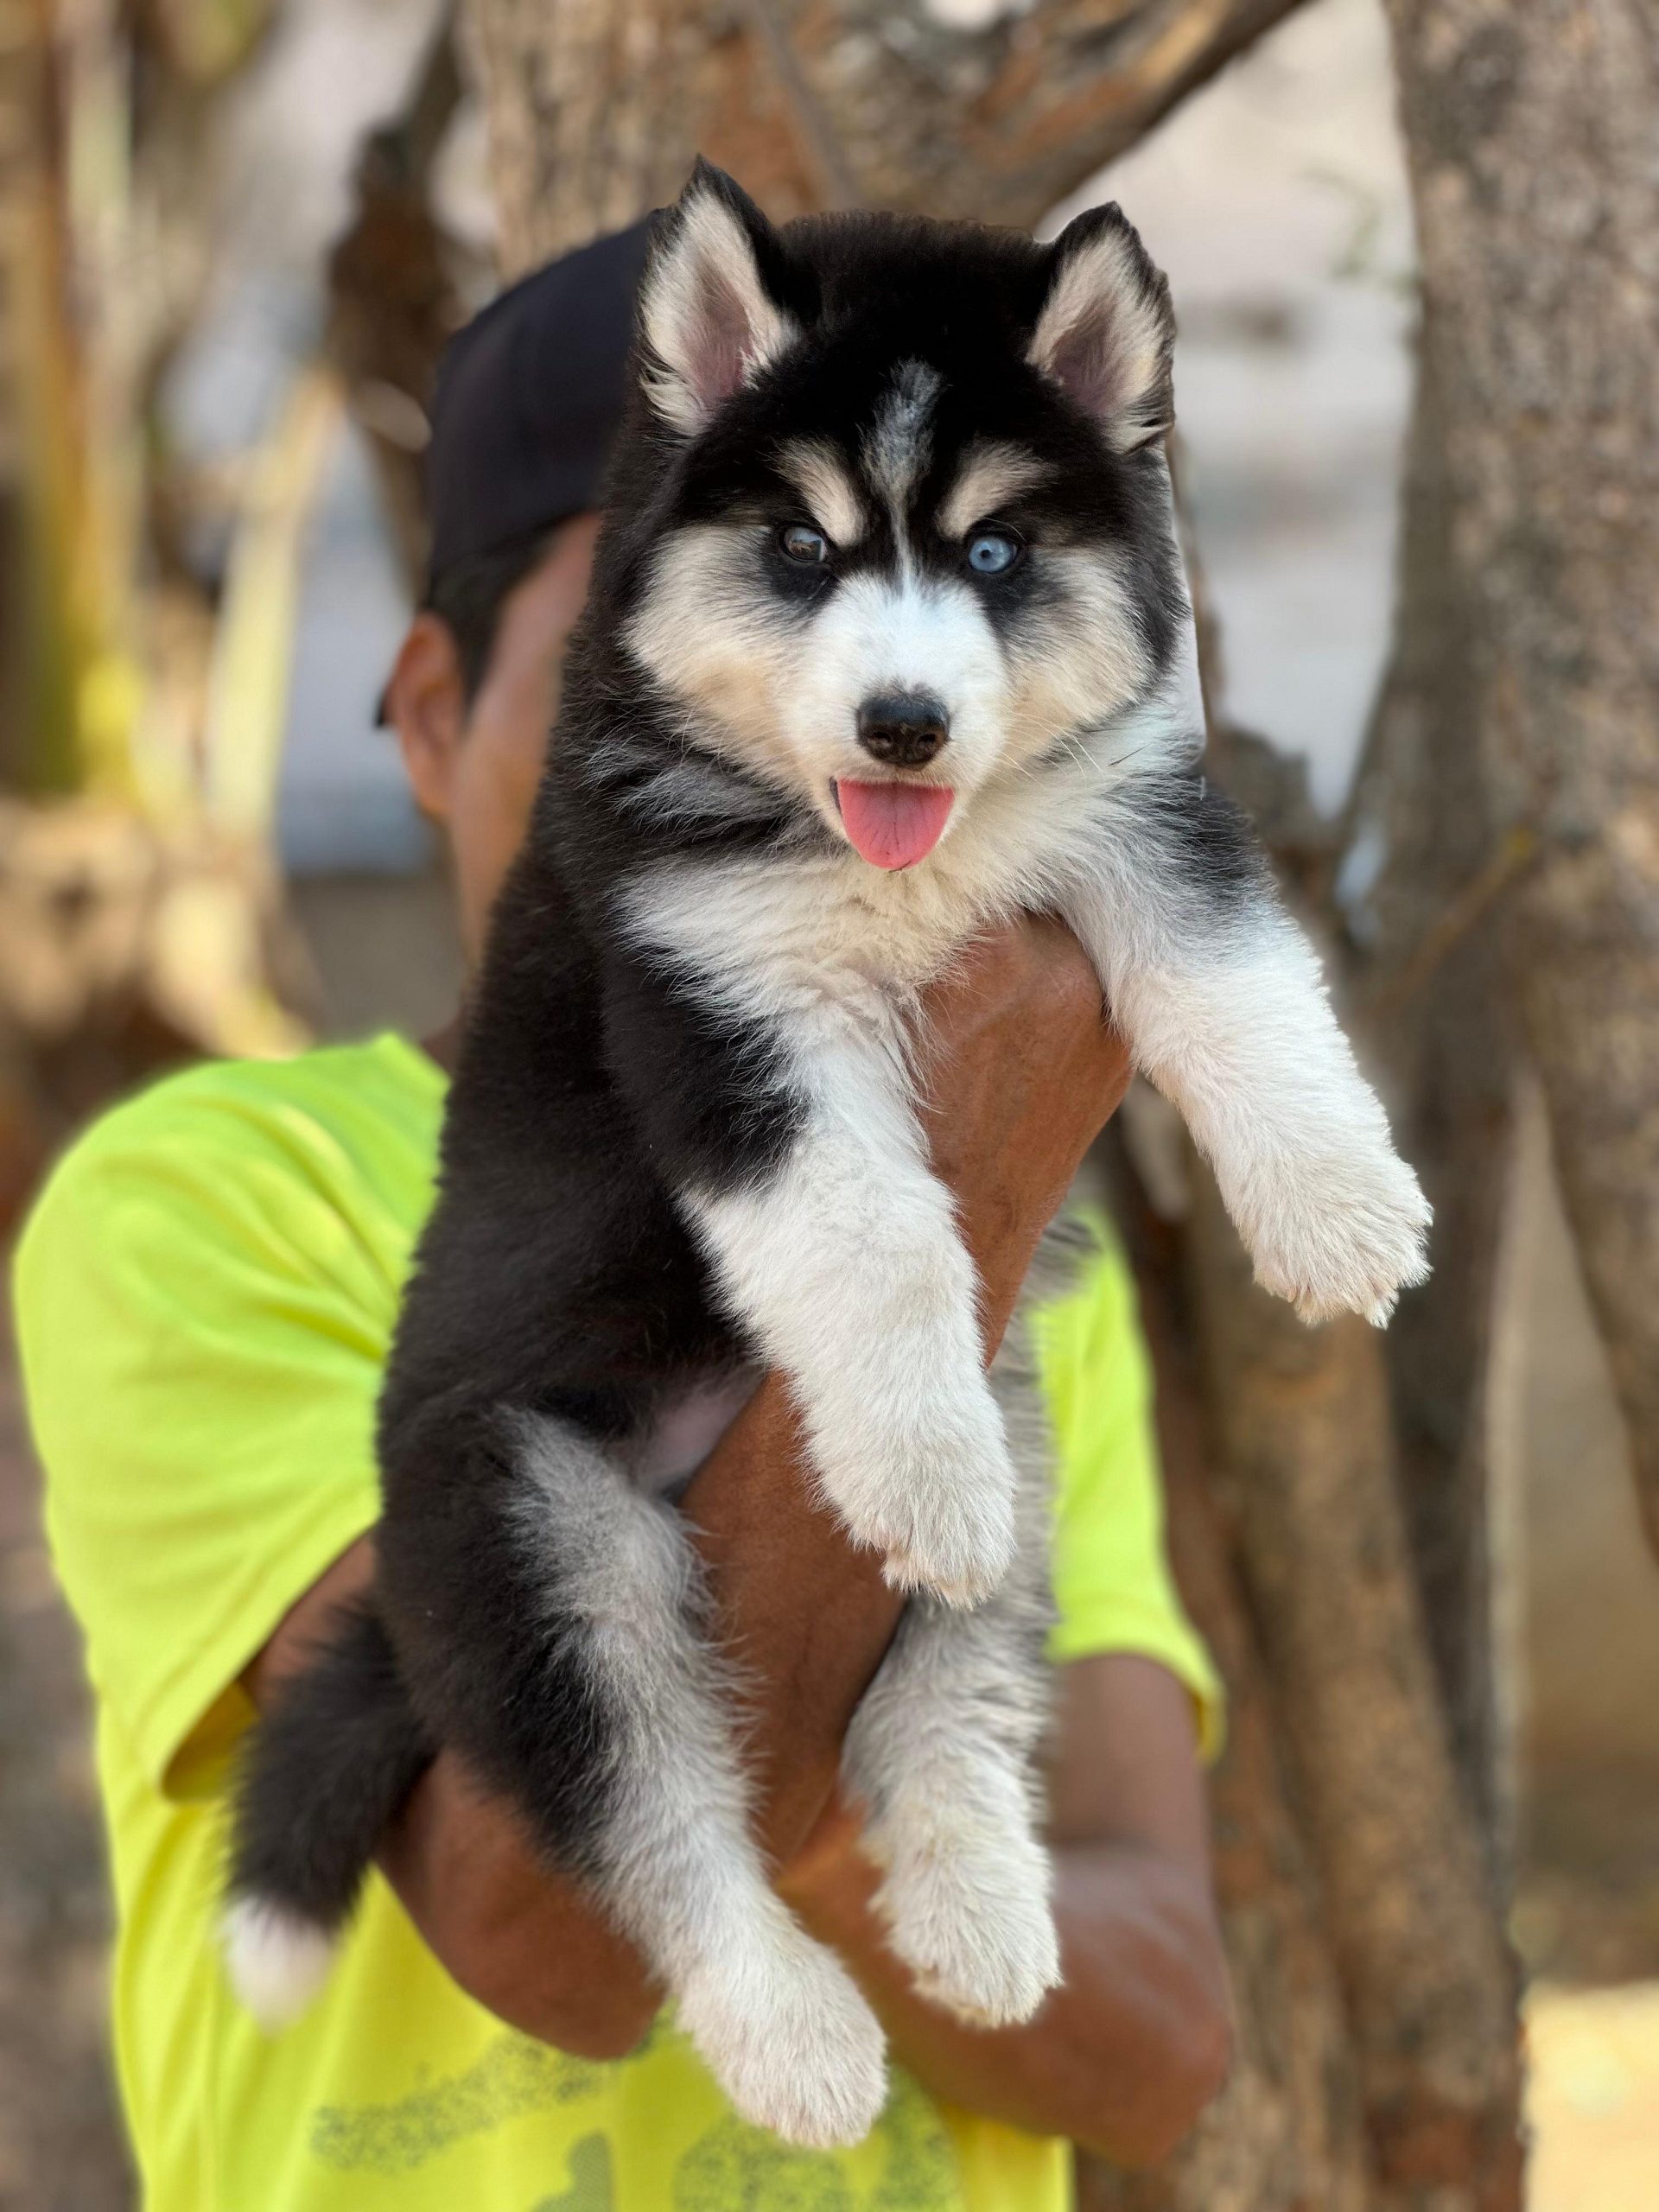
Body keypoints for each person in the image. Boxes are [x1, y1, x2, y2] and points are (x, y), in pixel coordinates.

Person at [14, 224, 1230, 2212]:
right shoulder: (208, 1204)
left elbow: (1163, 2040)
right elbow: (553, 1931)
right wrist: (872, 1792)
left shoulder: (1019, 1246)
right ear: (423, 717)